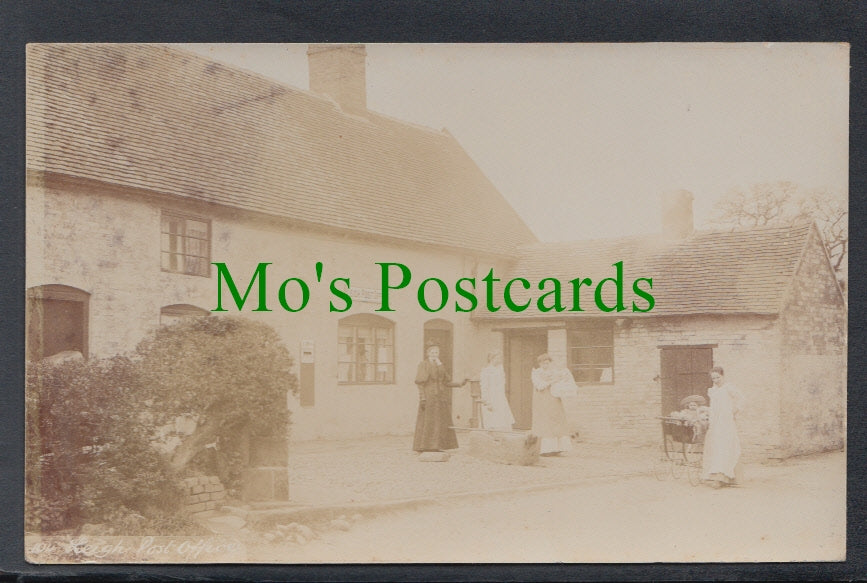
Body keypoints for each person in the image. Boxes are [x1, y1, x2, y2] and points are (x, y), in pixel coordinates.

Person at [413, 343, 466, 453]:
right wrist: (422, 398)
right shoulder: (423, 364)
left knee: (439, 421)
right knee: (428, 421)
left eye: (436, 353)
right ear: (428, 354)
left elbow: (446, 381)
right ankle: (424, 446)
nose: (434, 355)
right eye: (432, 352)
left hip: (440, 397)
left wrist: (460, 384)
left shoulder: (440, 365)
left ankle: (437, 446)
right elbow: (420, 383)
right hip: (429, 396)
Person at [701, 366, 744, 488]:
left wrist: (734, 411)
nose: (715, 380)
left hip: (725, 422)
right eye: (713, 378)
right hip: (715, 421)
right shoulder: (713, 390)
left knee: (725, 446)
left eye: (718, 377)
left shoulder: (729, 388)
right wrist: (707, 411)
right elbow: (714, 407)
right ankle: (714, 475)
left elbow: (741, 399)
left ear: (723, 376)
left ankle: (724, 477)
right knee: (715, 446)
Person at [530, 353, 575, 455]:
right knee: (545, 422)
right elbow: (539, 386)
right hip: (542, 400)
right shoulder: (536, 373)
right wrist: (552, 381)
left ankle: (557, 448)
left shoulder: (554, 372)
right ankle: (545, 449)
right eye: (543, 363)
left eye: (547, 363)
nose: (545, 365)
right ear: (540, 364)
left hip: (554, 399)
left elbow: (562, 381)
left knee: (557, 420)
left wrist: (562, 381)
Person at [478, 350, 516, 431]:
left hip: (500, 397)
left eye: (499, 358)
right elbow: (484, 387)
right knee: (492, 420)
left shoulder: (500, 370)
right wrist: (487, 401)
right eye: (497, 358)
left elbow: (501, 384)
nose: (499, 360)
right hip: (491, 398)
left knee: (503, 419)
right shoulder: (486, 371)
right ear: (491, 359)